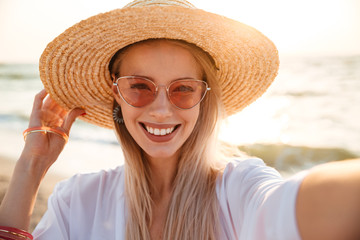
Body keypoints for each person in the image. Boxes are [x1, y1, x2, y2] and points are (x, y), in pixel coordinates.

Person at [0, 0, 359, 239]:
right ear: (116, 94)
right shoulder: (76, 199)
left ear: (205, 99)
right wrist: (32, 166)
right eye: (139, 86)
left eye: (183, 89)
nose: (160, 109)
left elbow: (304, 206)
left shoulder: (240, 187)